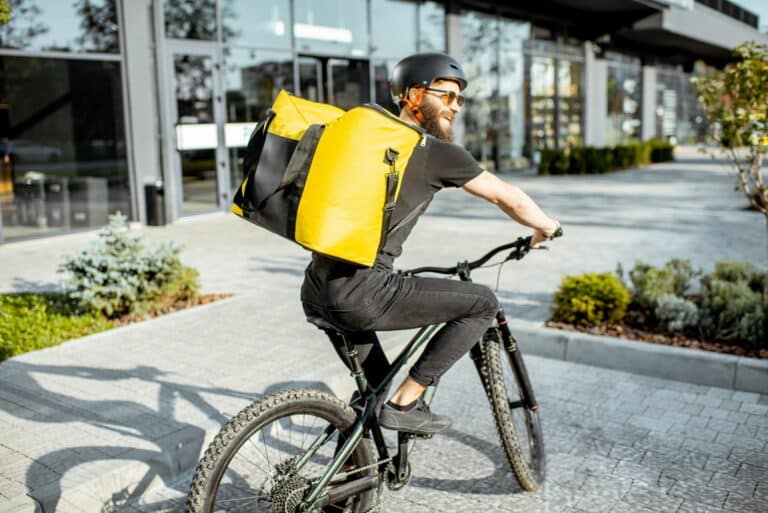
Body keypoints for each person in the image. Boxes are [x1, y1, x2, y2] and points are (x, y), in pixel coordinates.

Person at [301, 52, 560, 436]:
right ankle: (407, 402)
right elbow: (508, 197)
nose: (456, 107)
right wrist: (547, 227)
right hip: (363, 294)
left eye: (460, 99)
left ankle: (350, 484)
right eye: (447, 95)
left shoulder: (368, 139)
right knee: (482, 302)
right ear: (413, 96)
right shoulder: (431, 150)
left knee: (372, 395)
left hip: (317, 288)